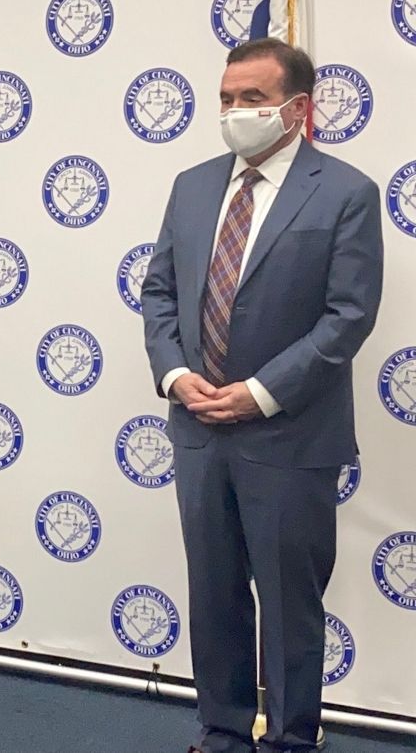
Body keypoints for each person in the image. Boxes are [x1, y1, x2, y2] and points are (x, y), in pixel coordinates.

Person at [141, 37, 383, 753]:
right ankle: (221, 734)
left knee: (287, 607)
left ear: (297, 107)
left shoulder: (345, 193)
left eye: (252, 98)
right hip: (197, 431)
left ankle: (288, 741)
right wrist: (174, 374)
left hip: (288, 435)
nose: (234, 112)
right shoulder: (191, 185)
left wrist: (259, 392)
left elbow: (348, 316)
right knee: (214, 598)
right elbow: (159, 292)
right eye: (225, 98)